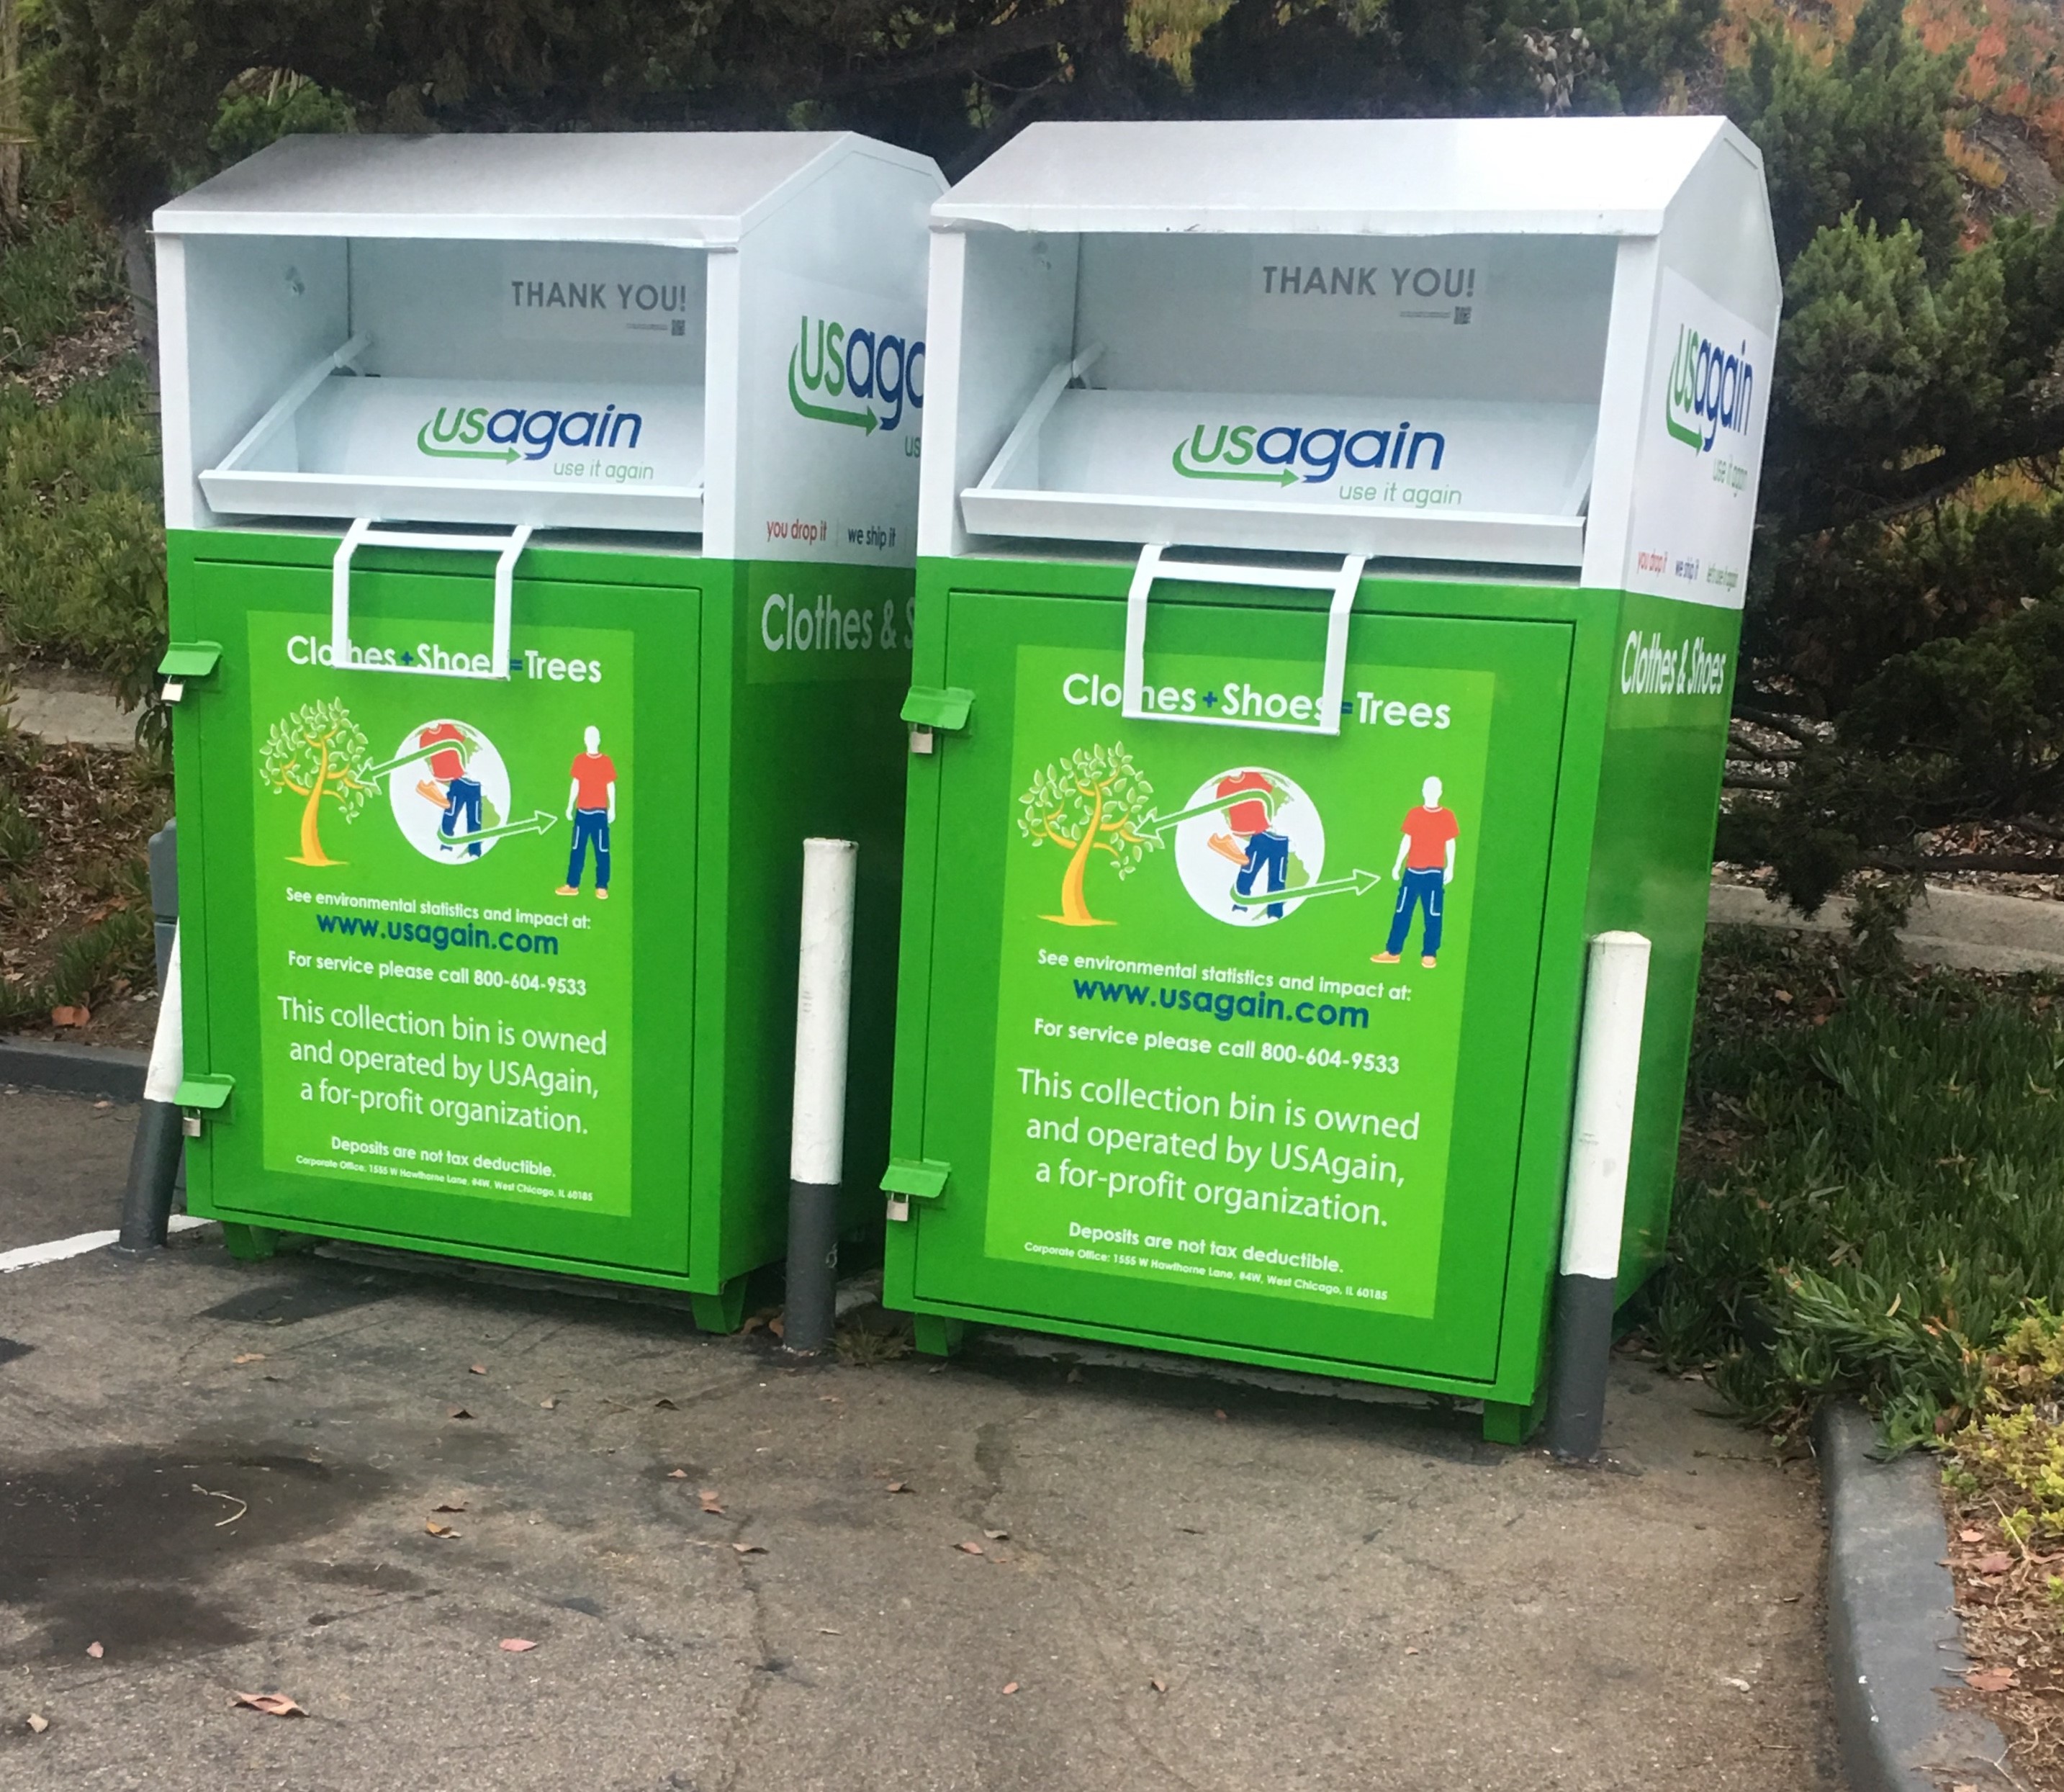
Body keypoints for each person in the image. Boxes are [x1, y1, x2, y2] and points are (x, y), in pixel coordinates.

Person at [1373, 776, 1458, 968]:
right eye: (1428, 789)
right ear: (1423, 791)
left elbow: (1450, 843)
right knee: (1402, 912)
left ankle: (1429, 953)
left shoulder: (1447, 816)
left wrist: (1450, 867)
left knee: (1433, 914)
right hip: (1412, 872)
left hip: (1434, 873)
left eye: (1435, 789)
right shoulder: (1415, 814)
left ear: (1440, 792)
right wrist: (1397, 864)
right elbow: (1407, 840)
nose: (1431, 792)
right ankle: (1393, 951)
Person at [1211, 769, 1290, 919]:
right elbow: (1221, 809)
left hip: (1272, 834)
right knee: (1249, 871)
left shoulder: (1254, 777)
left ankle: (1274, 911)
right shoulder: (1224, 786)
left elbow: (1272, 795)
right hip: (1255, 834)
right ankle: (1240, 905)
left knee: (1277, 877)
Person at [558, 726, 618, 899]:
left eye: (594, 737)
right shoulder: (579, 760)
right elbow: (575, 784)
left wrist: (612, 808)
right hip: (582, 813)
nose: (591, 740)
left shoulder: (606, 761)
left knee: (602, 850)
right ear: (585, 740)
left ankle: (602, 886)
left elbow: (610, 785)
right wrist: (570, 805)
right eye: (588, 737)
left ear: (598, 740)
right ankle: (572, 884)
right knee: (577, 849)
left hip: (599, 813)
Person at [416, 719, 482, 857]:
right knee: (451, 814)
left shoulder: (448, 728)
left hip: (462, 778)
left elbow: (464, 743)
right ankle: (446, 846)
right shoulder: (425, 737)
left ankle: (474, 850)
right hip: (449, 778)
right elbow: (424, 757)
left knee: (474, 818)